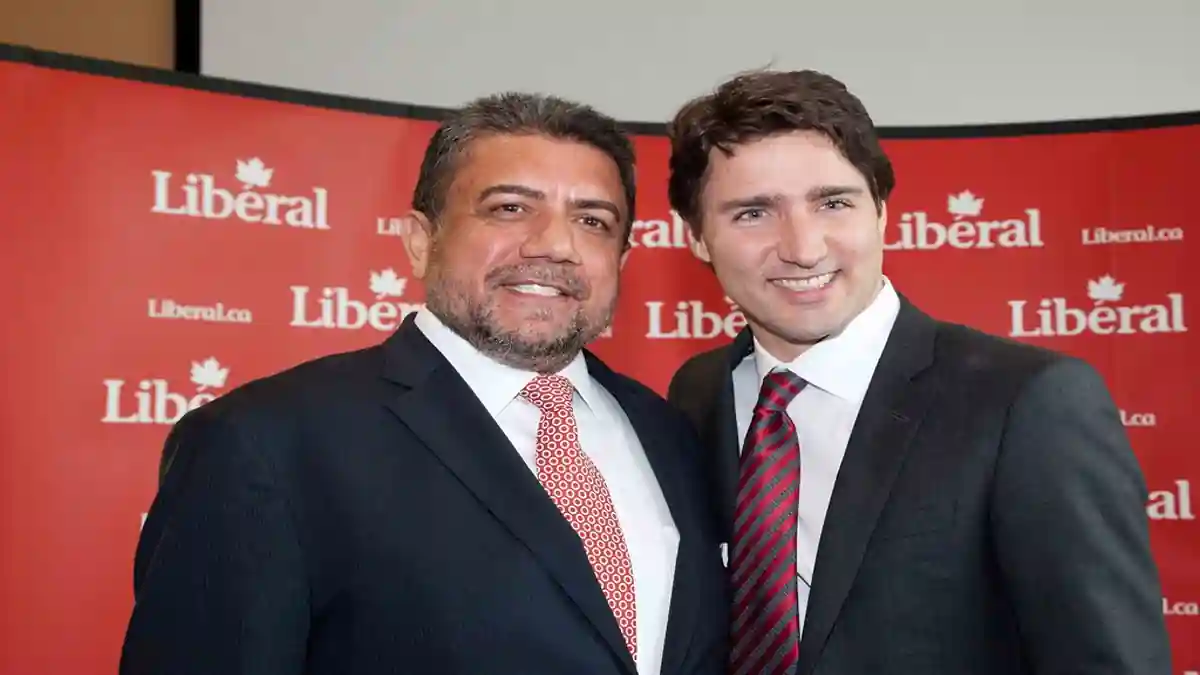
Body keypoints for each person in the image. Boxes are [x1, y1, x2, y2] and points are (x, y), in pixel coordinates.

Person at [121, 92, 729, 675]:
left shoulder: (669, 433)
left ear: (621, 261)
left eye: (593, 220)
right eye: (510, 208)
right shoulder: (264, 444)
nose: (556, 245)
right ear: (421, 242)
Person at [663, 69, 1173, 675]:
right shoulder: (697, 393)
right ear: (696, 237)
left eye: (833, 203)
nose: (803, 246)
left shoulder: (1029, 402)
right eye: (753, 213)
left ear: (880, 212)